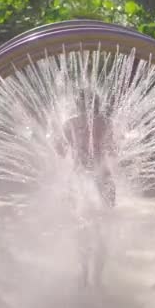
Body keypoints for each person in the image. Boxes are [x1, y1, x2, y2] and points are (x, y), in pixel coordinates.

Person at [56, 89, 116, 288]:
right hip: (104, 180)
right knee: (103, 229)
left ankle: (83, 275)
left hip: (78, 179)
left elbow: (60, 151)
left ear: (77, 103)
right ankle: (98, 279)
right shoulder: (106, 123)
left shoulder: (69, 123)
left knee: (79, 227)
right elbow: (114, 149)